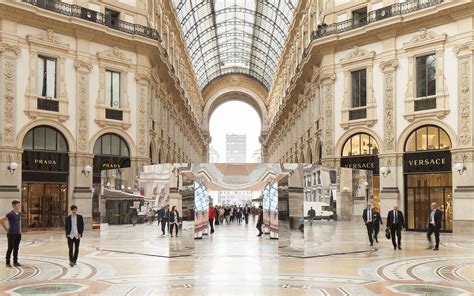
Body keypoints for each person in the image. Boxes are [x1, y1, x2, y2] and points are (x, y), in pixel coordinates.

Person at [1, 200, 22, 267]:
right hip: (11, 234)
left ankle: (15, 262)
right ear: (13, 206)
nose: (19, 206)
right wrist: (6, 229)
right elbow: (1, 220)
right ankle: (7, 263)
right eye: (17, 205)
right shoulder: (10, 214)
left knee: (16, 248)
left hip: (18, 234)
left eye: (19, 205)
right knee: (10, 248)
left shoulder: (19, 213)